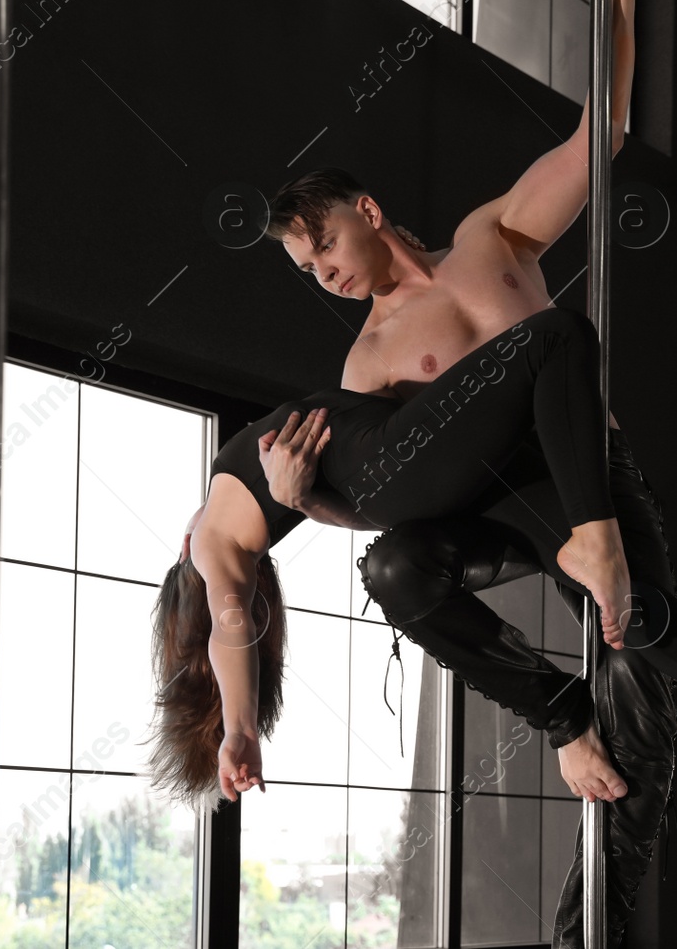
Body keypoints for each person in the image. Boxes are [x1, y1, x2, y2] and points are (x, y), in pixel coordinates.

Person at [259, 0, 677, 946]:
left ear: (366, 209)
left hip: (588, 476)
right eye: (308, 270)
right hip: (491, 502)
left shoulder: (494, 236)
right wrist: (312, 503)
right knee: (394, 569)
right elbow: (392, 484)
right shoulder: (369, 360)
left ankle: (606, 901)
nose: (327, 271)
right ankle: (561, 711)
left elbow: (598, 138)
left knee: (641, 724)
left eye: (325, 242)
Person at [149, 305, 646, 809]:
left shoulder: (220, 525)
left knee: (550, 353)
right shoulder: (213, 527)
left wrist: (241, 728)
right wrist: (239, 727)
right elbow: (226, 622)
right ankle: (577, 716)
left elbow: (230, 623)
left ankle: (570, 716)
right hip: (386, 456)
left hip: (390, 455)